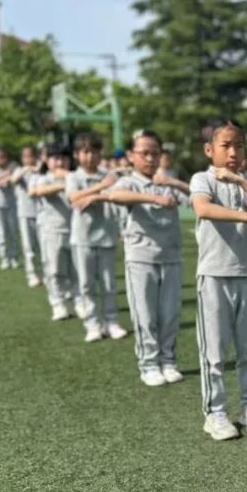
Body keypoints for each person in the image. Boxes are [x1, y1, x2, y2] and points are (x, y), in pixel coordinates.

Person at [190, 118, 247, 441]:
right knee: (214, 351)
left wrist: (240, 180)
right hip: (214, 275)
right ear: (209, 149)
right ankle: (215, 413)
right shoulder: (202, 179)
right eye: (225, 145)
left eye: (239, 146)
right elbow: (203, 209)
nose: (233, 152)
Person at [82, 130, 190, 386]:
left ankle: (168, 361)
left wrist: (172, 183)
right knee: (145, 316)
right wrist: (153, 197)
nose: (150, 158)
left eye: (155, 153)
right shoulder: (129, 182)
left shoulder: (167, 182)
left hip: (171, 256)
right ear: (132, 156)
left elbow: (196, 199)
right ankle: (149, 364)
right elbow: (115, 196)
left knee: (170, 315)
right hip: (141, 258)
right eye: (144, 153)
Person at [66, 133, 127, 342]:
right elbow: (74, 199)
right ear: (77, 155)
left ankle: (112, 321)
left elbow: (116, 199)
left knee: (109, 284)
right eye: (85, 152)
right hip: (82, 238)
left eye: (94, 152)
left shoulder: (109, 176)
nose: (90, 156)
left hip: (107, 235)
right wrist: (100, 189)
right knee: (86, 284)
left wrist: (91, 197)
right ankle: (92, 324)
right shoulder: (73, 177)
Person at [28, 146, 77, 321]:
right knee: (54, 269)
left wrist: (70, 179)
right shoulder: (43, 178)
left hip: (76, 229)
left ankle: (79, 301)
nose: (60, 162)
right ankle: (58, 304)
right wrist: (65, 184)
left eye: (64, 158)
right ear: (47, 161)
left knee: (77, 270)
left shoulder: (75, 176)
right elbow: (38, 191)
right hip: (52, 229)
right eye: (55, 159)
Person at [12, 146, 42, 288]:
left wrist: (38, 168)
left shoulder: (40, 171)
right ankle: (31, 274)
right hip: (25, 213)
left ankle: (44, 273)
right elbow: (13, 180)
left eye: (31, 156)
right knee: (29, 246)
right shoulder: (19, 170)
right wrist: (27, 169)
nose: (28, 159)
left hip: (41, 213)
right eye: (25, 156)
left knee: (42, 246)